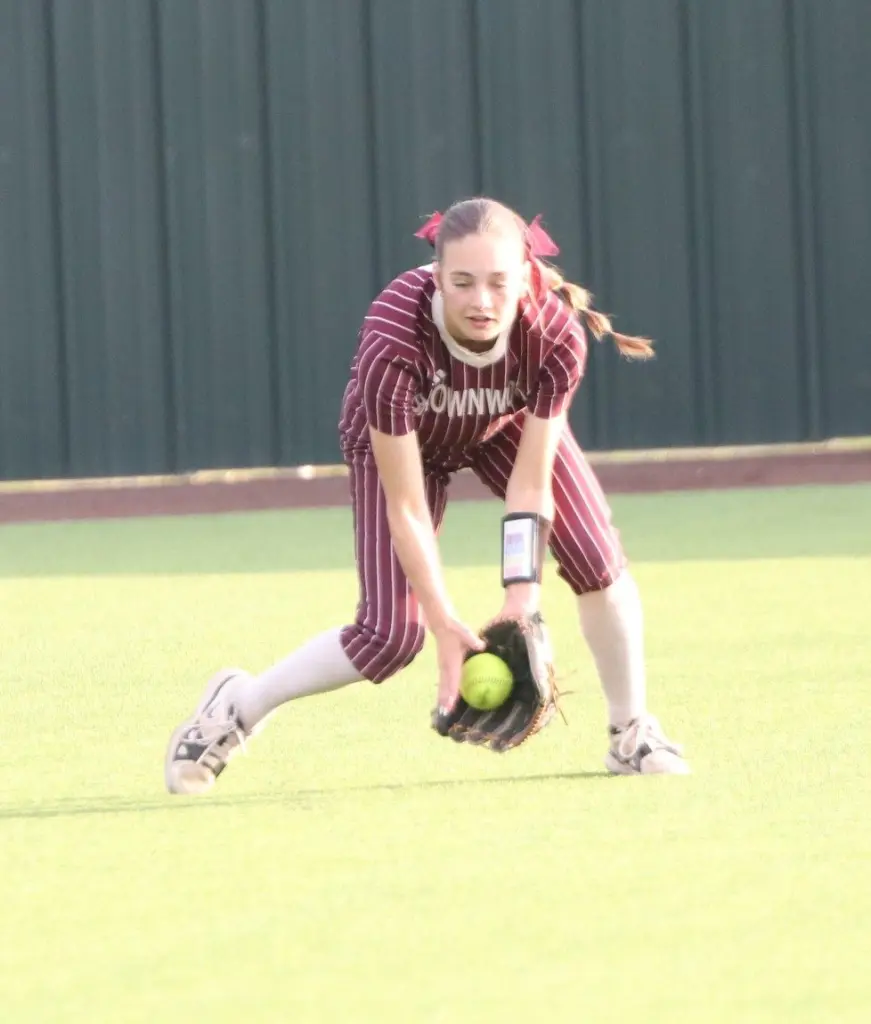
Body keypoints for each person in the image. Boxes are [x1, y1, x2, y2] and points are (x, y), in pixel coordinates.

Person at [164, 197, 689, 795]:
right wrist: (441, 621)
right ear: (436, 276)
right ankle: (237, 706)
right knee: (389, 637)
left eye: (498, 282)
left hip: (504, 429)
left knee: (595, 555)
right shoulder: (394, 335)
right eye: (462, 282)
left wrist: (521, 598)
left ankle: (630, 733)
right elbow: (408, 506)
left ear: (526, 277)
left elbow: (530, 484)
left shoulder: (555, 336)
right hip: (402, 444)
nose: (481, 300)